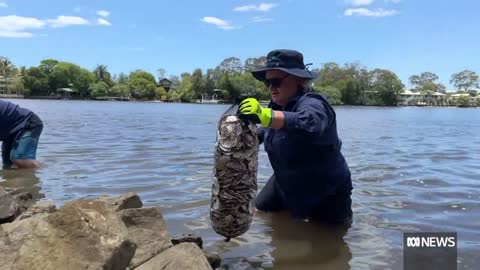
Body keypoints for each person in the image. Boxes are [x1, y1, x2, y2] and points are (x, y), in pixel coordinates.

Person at [238, 49, 353, 226]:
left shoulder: (314, 103)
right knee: (259, 213)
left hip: (325, 189)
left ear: (299, 80)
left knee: (329, 241)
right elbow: (263, 132)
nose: (271, 88)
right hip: (285, 182)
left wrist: (265, 115)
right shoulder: (277, 106)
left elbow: (310, 123)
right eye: (267, 83)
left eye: (276, 81)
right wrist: (240, 133)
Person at [1, 100, 43, 169]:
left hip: (28, 123)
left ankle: (45, 172)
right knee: (7, 164)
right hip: (10, 131)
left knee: (19, 158)